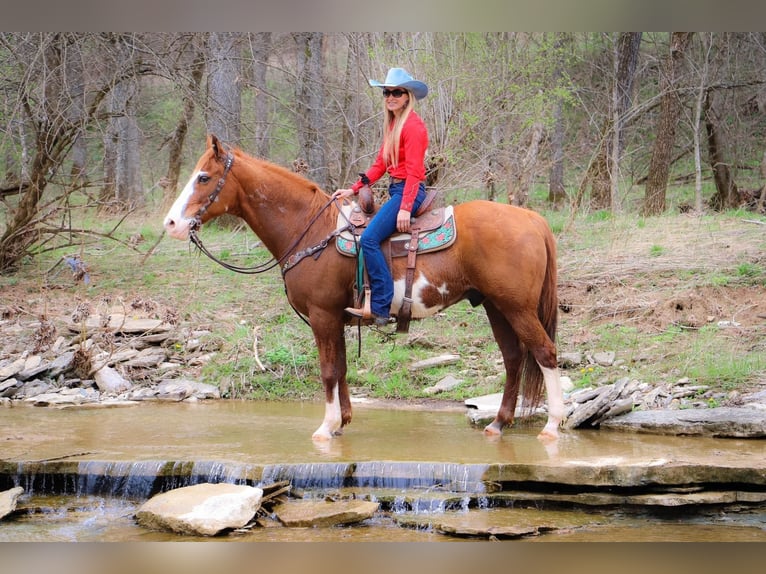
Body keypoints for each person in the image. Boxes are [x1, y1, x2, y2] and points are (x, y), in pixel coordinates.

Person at [333, 67, 429, 327]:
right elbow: (380, 164)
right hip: (397, 188)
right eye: (387, 92)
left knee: (370, 239)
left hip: (409, 190)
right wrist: (353, 189)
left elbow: (415, 173)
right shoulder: (393, 125)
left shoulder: (413, 127)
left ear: (407, 96)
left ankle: (381, 306)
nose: (390, 97)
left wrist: (405, 208)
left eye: (397, 92)